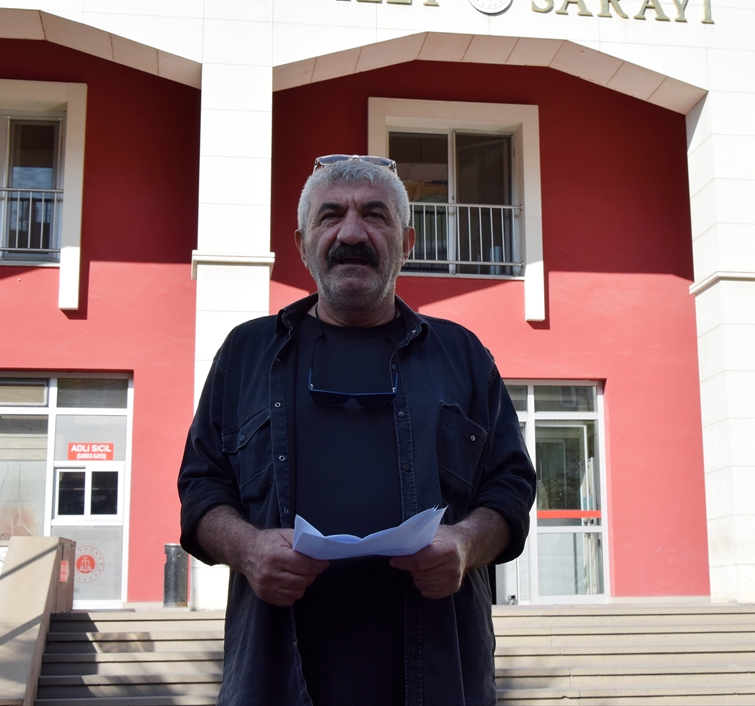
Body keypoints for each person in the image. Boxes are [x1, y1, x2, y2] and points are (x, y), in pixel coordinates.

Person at [178, 155, 537, 706]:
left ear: (407, 242)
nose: (351, 233)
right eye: (330, 216)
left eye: (375, 215)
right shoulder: (246, 354)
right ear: (302, 244)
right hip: (273, 681)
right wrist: (247, 549)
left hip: (440, 680)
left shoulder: (462, 355)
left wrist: (466, 545)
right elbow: (201, 487)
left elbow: (510, 486)